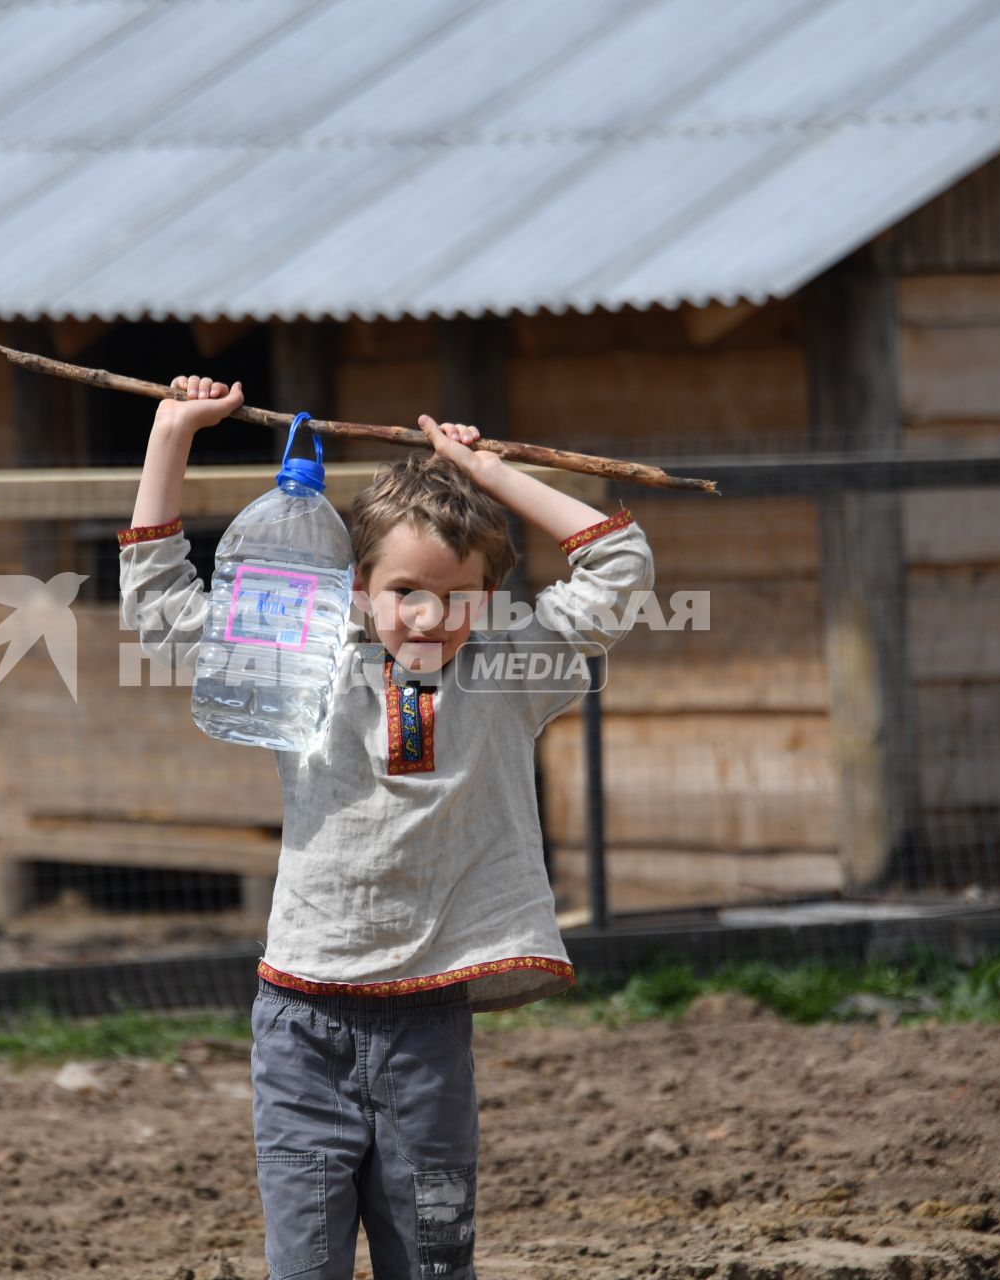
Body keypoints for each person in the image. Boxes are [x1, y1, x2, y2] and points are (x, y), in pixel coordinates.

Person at [116, 374, 655, 1279]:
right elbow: (161, 610)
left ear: (494, 594)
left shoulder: (511, 669)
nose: (429, 616)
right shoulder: (299, 659)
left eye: (460, 594)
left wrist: (488, 472)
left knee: (435, 1265)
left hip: (429, 1027)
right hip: (301, 1023)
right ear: (357, 587)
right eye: (404, 588)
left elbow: (619, 564)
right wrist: (170, 436)